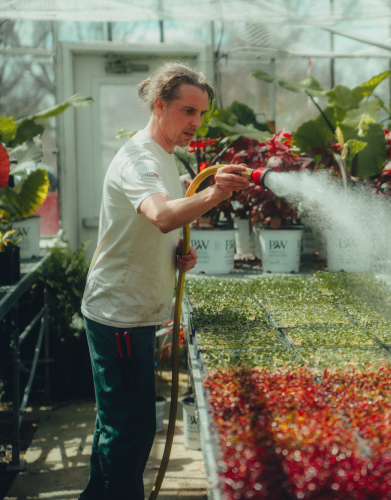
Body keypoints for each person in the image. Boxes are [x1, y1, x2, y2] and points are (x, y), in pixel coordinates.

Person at [79, 62, 250, 500]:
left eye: (201, 113)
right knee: (130, 430)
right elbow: (159, 215)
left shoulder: (164, 155)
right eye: (187, 110)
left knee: (116, 423)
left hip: (134, 310)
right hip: (119, 314)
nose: (195, 122)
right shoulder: (139, 158)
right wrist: (216, 193)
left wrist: (178, 255)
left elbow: (162, 225)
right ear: (160, 105)